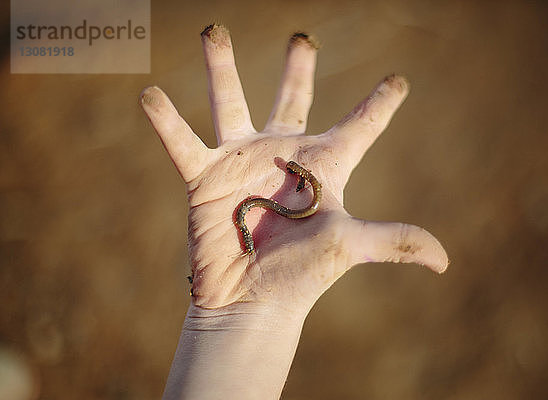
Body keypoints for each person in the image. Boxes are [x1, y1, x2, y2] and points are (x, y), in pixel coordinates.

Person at [140, 24, 448, 400]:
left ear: (298, 176)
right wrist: (237, 319)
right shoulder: (285, 193)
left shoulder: (296, 188)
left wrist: (236, 322)